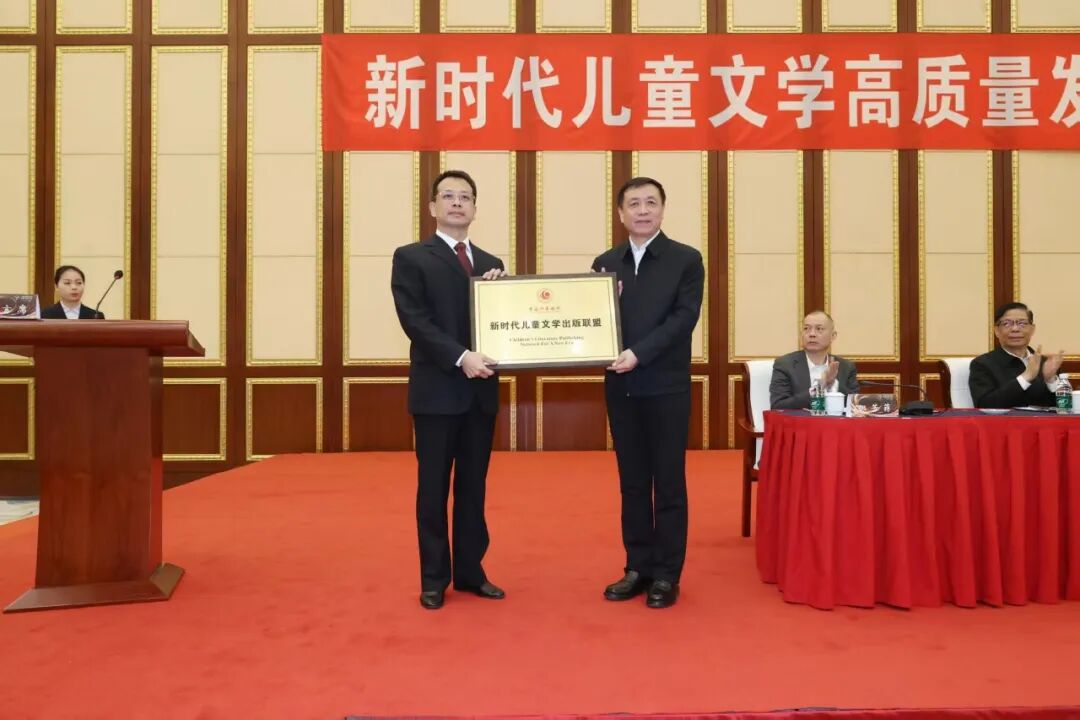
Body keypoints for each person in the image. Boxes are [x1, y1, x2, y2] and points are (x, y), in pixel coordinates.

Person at [390, 169, 508, 610]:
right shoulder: (410, 257)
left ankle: (472, 573)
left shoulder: (491, 263)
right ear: (432, 207)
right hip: (437, 393)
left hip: (480, 395)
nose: (457, 203)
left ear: (475, 208)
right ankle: (434, 579)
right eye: (448, 196)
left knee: (474, 488)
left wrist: (503, 296)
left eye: (465, 197)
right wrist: (461, 357)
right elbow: (415, 321)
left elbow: (503, 325)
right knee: (433, 489)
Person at [592, 177, 704, 609]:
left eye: (650, 203)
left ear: (662, 210)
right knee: (633, 482)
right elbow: (591, 321)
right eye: (634, 204)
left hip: (666, 386)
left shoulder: (685, 260)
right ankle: (637, 567)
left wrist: (639, 353)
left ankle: (667, 574)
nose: (642, 210)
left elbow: (683, 319)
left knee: (669, 483)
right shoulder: (605, 263)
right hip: (621, 388)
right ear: (621, 213)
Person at [969, 302, 1065, 409]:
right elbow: (985, 405)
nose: (1015, 329)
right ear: (996, 331)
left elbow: (1065, 407)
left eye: (1022, 323)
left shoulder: (1046, 363)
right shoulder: (982, 364)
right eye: (1007, 324)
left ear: (1032, 329)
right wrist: (1026, 377)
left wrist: (1051, 380)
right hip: (1006, 420)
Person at [769, 311, 859, 409]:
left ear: (833, 336)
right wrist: (820, 387)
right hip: (801, 419)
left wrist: (832, 384)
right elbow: (778, 406)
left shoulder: (846, 367)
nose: (812, 334)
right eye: (806, 328)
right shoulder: (785, 365)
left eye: (819, 329)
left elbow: (854, 407)